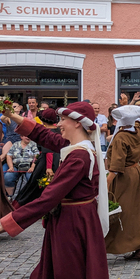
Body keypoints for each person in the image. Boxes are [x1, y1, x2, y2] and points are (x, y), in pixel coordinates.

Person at [0, 102, 109, 279]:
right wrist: (12, 115)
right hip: (72, 218)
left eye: (63, 119)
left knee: (69, 268)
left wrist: (6, 224)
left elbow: (48, 198)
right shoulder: (76, 146)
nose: (58, 124)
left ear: (77, 122)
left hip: (73, 223)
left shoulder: (79, 156)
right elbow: (43, 135)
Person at [105, 106, 140, 260]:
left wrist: (107, 182)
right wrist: (128, 104)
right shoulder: (137, 130)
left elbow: (117, 164)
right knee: (136, 211)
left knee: (122, 211)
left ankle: (117, 244)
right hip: (136, 173)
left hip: (125, 177)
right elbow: (138, 121)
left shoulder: (120, 138)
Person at [12, 109, 60, 208]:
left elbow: (49, 151)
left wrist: (49, 167)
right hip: (55, 160)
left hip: (47, 163)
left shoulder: (47, 133)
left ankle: (18, 208)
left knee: (33, 187)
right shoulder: (58, 131)